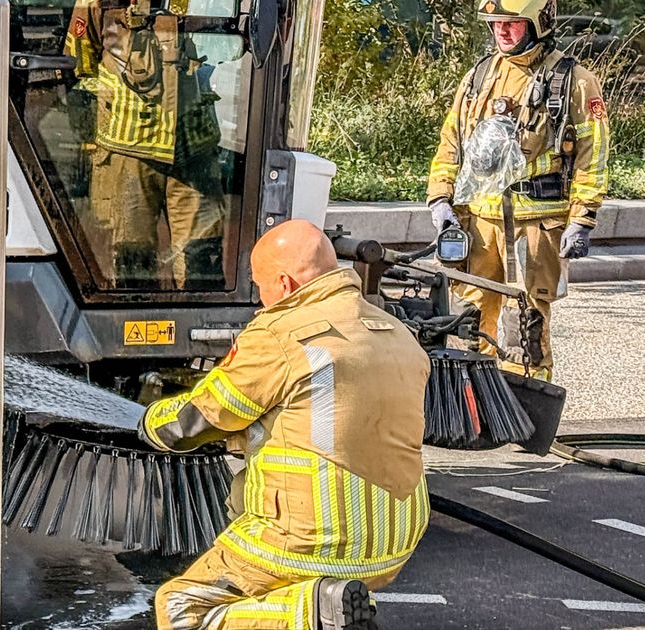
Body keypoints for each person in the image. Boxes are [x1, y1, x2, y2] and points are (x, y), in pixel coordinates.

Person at [139, 221, 431, 630]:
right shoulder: (398, 334)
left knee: (181, 606)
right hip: (395, 542)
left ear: (284, 283)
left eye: (261, 286)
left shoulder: (279, 334)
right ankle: (329, 607)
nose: (261, 300)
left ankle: (313, 615)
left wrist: (149, 420)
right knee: (279, 592)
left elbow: (198, 420)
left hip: (309, 539)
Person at [427, 0, 610, 380]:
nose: (502, 31)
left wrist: (582, 219)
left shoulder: (574, 81)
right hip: (479, 222)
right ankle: (470, 400)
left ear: (538, 23)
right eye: (496, 23)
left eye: (513, 23)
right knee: (467, 320)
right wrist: (440, 199)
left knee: (524, 327)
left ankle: (523, 403)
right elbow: (451, 142)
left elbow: (593, 155)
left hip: (536, 226)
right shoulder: (479, 76)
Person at [65, 0, 226, 290]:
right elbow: (80, 63)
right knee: (131, 262)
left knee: (201, 263)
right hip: (128, 149)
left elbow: (229, 47)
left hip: (192, 145)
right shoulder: (98, 2)